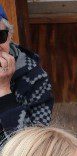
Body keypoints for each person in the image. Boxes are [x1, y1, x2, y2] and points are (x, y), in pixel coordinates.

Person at [0, 4, 53, 146]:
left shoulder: (36, 78)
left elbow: (31, 145)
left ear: (10, 36)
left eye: (0, 36)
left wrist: (4, 91)